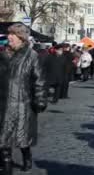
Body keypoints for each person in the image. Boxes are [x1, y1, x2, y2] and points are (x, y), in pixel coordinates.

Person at [0, 23, 47, 174]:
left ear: (21, 37)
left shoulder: (31, 56)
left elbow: (39, 80)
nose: (9, 37)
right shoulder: (2, 55)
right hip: (3, 103)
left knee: (22, 139)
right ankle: (6, 166)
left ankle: (27, 156)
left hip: (22, 104)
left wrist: (40, 99)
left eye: (12, 34)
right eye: (9, 34)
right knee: (3, 139)